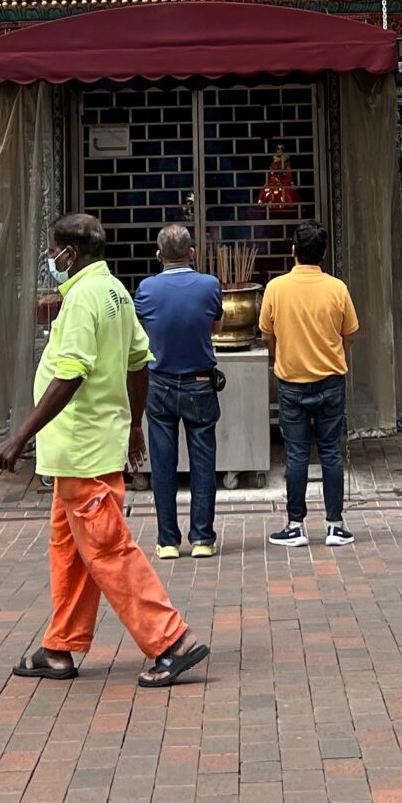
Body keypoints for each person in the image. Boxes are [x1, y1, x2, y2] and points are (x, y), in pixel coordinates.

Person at [0, 214, 211, 688]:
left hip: (82, 449)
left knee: (109, 549)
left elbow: (69, 375)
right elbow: (139, 363)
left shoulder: (83, 300)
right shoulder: (114, 292)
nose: (51, 259)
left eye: (53, 251)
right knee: (69, 551)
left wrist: (20, 435)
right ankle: (60, 647)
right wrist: (134, 424)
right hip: (85, 451)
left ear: (69, 254)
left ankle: (170, 640)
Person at [259, 221, 359, 548]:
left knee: (296, 455)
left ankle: (295, 525)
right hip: (331, 381)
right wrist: (332, 357)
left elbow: (267, 334)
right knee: (330, 453)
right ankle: (335, 525)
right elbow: (350, 334)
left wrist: (284, 356)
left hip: (291, 382)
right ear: (324, 254)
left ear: (293, 252)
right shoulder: (337, 288)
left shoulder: (276, 288)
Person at [134, 223, 226, 558]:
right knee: (203, 462)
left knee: (163, 463)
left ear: (159, 256)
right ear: (192, 252)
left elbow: (143, 330)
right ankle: (202, 538)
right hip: (200, 383)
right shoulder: (210, 285)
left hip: (159, 383)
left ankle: (167, 541)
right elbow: (216, 325)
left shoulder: (146, 289)